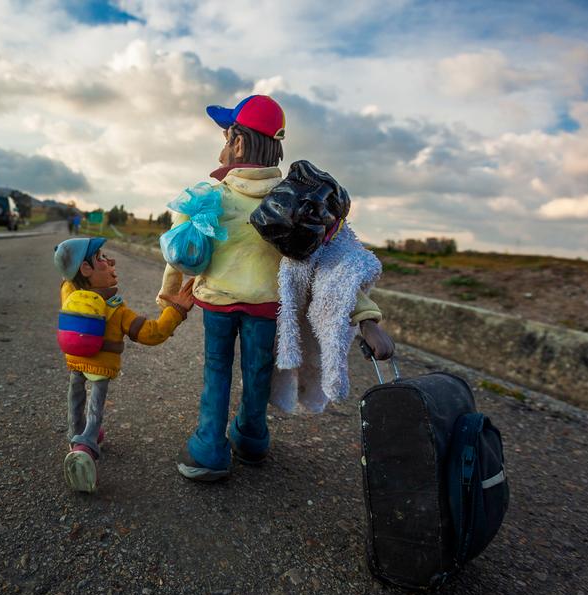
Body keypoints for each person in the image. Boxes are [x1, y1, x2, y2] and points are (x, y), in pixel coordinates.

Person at [156, 94, 394, 482]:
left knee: (216, 370)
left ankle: (209, 449)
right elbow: (339, 263)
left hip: (217, 304)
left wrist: (169, 294)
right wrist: (366, 316)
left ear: (237, 141)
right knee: (257, 372)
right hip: (268, 307)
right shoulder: (298, 201)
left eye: (225, 134)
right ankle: (251, 437)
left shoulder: (208, 195)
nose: (222, 143)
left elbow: (178, 252)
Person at [54, 237, 195, 492]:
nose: (111, 262)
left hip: (74, 360)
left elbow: (67, 278)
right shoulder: (116, 311)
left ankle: (75, 434)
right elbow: (151, 333)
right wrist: (176, 310)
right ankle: (86, 445)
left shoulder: (69, 292)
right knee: (95, 407)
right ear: (85, 270)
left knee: (75, 396)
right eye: (101, 259)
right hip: (101, 367)